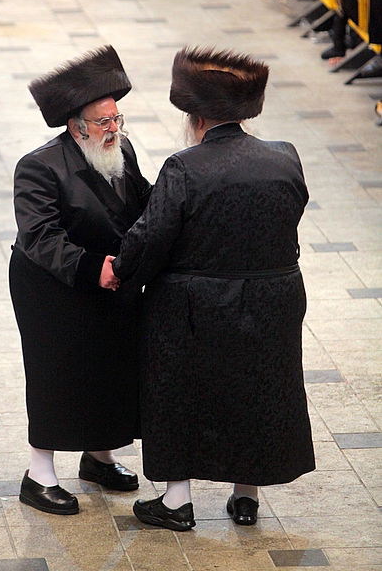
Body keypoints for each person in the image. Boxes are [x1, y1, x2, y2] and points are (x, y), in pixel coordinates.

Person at [103, 46, 315, 531]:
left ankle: (177, 502)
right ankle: (246, 497)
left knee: (178, 394)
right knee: (259, 388)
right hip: (274, 299)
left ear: (195, 116)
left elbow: (151, 235)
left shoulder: (185, 167)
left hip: (193, 306)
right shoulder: (284, 157)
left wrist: (123, 271)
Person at [9, 45, 151, 515]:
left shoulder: (122, 149)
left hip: (110, 277)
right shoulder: (39, 166)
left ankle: (98, 457)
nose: (115, 129)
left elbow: (144, 202)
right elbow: (40, 237)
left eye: (117, 119)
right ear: (77, 126)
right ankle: (39, 473)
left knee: (110, 364)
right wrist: (96, 269)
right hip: (52, 285)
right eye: (104, 122)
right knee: (57, 372)